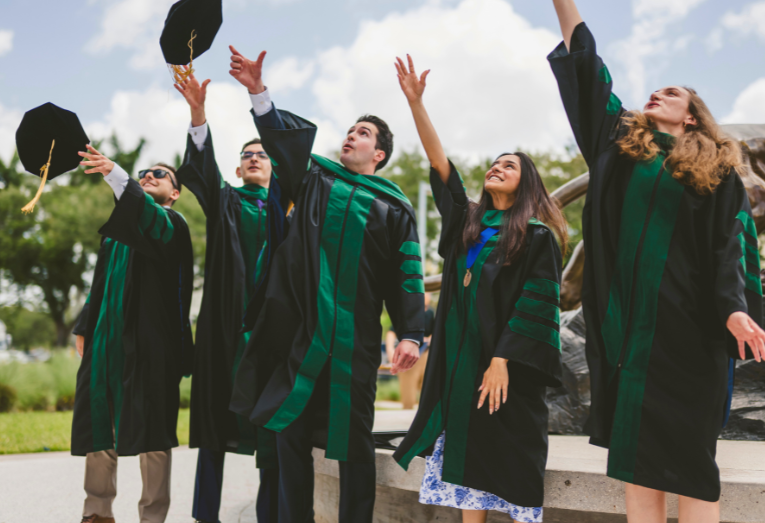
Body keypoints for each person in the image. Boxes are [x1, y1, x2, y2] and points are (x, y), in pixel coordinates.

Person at [522, 0, 765, 523]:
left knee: (691, 465)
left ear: (692, 115)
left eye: (672, 92)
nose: (656, 94)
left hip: (689, 334)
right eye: (653, 91)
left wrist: (735, 310)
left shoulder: (714, 170)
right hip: (629, 338)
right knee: (636, 463)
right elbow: (587, 70)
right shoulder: (618, 148)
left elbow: (728, 248)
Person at [226, 46, 425, 523]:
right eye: (351, 130)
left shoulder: (394, 208)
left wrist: (412, 332)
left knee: (353, 441)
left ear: (378, 153)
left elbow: (407, 274)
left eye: (363, 133)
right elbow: (285, 143)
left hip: (354, 340)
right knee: (288, 433)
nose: (350, 137)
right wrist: (258, 91)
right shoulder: (315, 179)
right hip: (303, 333)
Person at [391, 55, 569, 523]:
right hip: (460, 363)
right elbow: (439, 164)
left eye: (508, 165)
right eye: (493, 163)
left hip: (504, 365)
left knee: (508, 458)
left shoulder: (535, 236)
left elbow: (538, 302)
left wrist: (501, 360)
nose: (496, 167)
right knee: (468, 471)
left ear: (525, 181)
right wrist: (416, 103)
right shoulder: (467, 223)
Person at [174, 74, 279, 523]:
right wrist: (199, 113)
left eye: (262, 154)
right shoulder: (226, 203)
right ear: (238, 170)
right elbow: (201, 170)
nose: (254, 159)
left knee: (274, 432)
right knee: (216, 428)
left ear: (275, 167)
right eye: (246, 156)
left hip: (272, 335)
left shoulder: (291, 211)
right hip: (225, 332)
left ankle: (271, 514)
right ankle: (205, 516)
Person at [71, 148, 194, 523]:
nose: (148, 175)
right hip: (106, 343)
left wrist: (116, 174)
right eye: (143, 172)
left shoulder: (171, 225)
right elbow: (98, 286)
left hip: (150, 346)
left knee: (153, 431)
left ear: (174, 193)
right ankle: (97, 513)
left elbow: (144, 214)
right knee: (99, 426)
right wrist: (83, 325)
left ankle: (152, 517)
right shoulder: (114, 239)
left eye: (159, 173)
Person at [384, 290, 435, 410]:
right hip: (408, 352)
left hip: (425, 353)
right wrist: (390, 351)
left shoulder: (431, 313)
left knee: (427, 388)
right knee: (408, 388)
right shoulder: (408, 312)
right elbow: (391, 332)